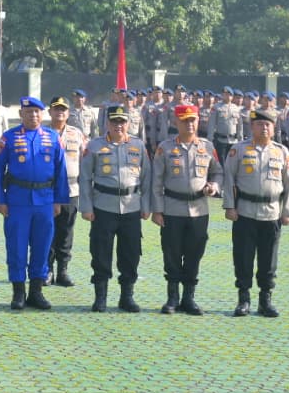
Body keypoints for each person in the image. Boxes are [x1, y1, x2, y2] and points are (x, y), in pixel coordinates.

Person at [0, 97, 69, 311]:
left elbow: (61, 170)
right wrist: (0, 199)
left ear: (42, 114)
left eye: (37, 112)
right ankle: (18, 292)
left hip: (45, 200)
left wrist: (59, 200)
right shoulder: (8, 137)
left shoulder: (52, 137)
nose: (33, 115)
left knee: (42, 246)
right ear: (21, 114)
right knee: (16, 247)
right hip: (17, 200)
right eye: (28, 112)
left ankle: (36, 291)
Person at [222, 108, 289, 318]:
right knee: (243, 257)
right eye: (259, 124)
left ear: (273, 128)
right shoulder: (239, 150)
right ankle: (243, 299)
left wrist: (288, 211)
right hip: (245, 212)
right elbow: (228, 178)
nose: (264, 128)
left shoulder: (281, 152)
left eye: (267, 125)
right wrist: (229, 206)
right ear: (252, 126)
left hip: (272, 213)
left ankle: (265, 300)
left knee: (268, 260)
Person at [78, 104, 151, 313]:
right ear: (107, 123)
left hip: (131, 207)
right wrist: (86, 207)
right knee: (101, 253)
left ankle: (126, 297)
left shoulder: (138, 145)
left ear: (128, 123)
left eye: (122, 121)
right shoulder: (94, 146)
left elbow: (147, 177)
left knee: (131, 254)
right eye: (114, 121)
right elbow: (85, 178)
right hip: (103, 206)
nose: (118, 125)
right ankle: (100, 297)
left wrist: (146, 206)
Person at [150, 103, 220, 315]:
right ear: (176, 122)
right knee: (171, 253)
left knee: (194, 253)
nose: (189, 124)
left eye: (193, 120)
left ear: (198, 121)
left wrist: (214, 186)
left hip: (199, 209)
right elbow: (156, 180)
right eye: (185, 121)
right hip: (172, 208)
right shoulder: (165, 148)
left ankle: (189, 297)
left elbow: (218, 172)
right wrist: (157, 210)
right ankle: (172, 297)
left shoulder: (207, 147)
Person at [45, 96, 87, 287]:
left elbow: (84, 162)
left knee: (66, 231)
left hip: (71, 190)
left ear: (68, 113)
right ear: (50, 112)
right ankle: (47, 270)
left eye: (63, 109)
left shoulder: (76, 134)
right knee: (47, 231)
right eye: (56, 109)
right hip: (48, 190)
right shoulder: (43, 133)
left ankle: (62, 270)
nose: (60, 112)